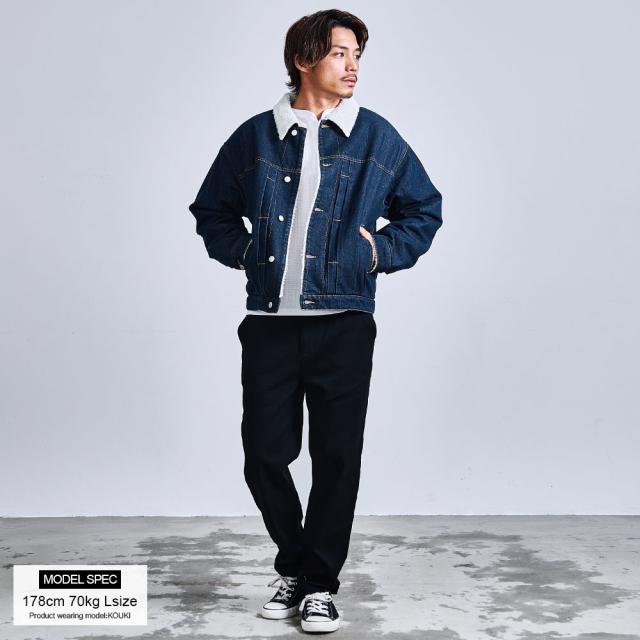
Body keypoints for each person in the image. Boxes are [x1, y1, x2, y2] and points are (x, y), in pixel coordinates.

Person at [188, 8, 443, 634]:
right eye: (339, 53)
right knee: (264, 455)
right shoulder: (255, 137)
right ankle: (297, 565)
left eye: (357, 55)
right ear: (304, 60)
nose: (353, 66)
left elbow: (423, 210)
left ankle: (319, 585)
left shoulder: (375, 137)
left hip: (344, 323)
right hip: (270, 324)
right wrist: (247, 251)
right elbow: (211, 210)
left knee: (336, 457)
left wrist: (375, 252)